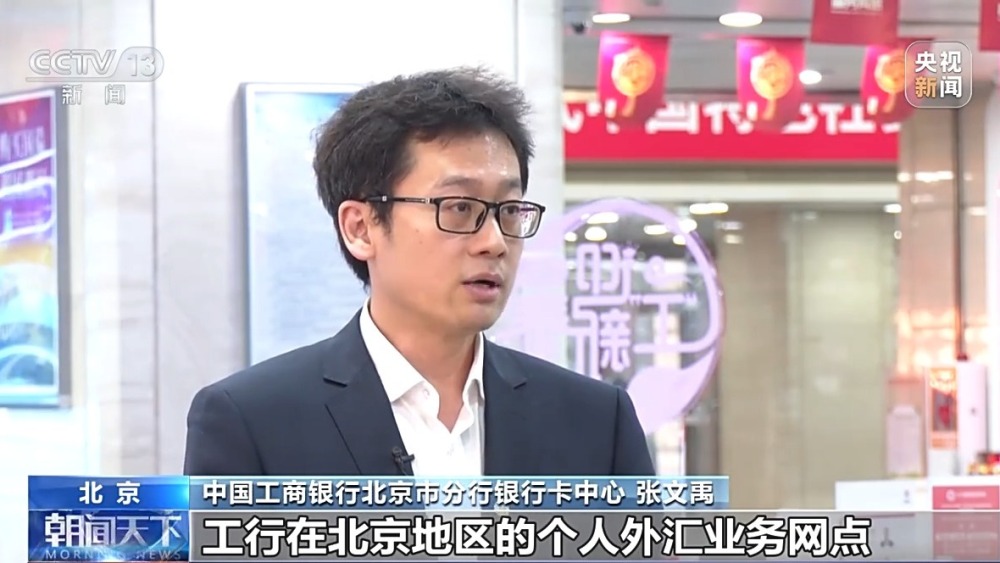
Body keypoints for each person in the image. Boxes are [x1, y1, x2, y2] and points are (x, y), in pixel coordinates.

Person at [183, 67, 654, 477]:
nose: (493, 242)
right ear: (361, 228)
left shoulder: (597, 421)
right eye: (459, 207)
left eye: (509, 210)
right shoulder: (251, 420)